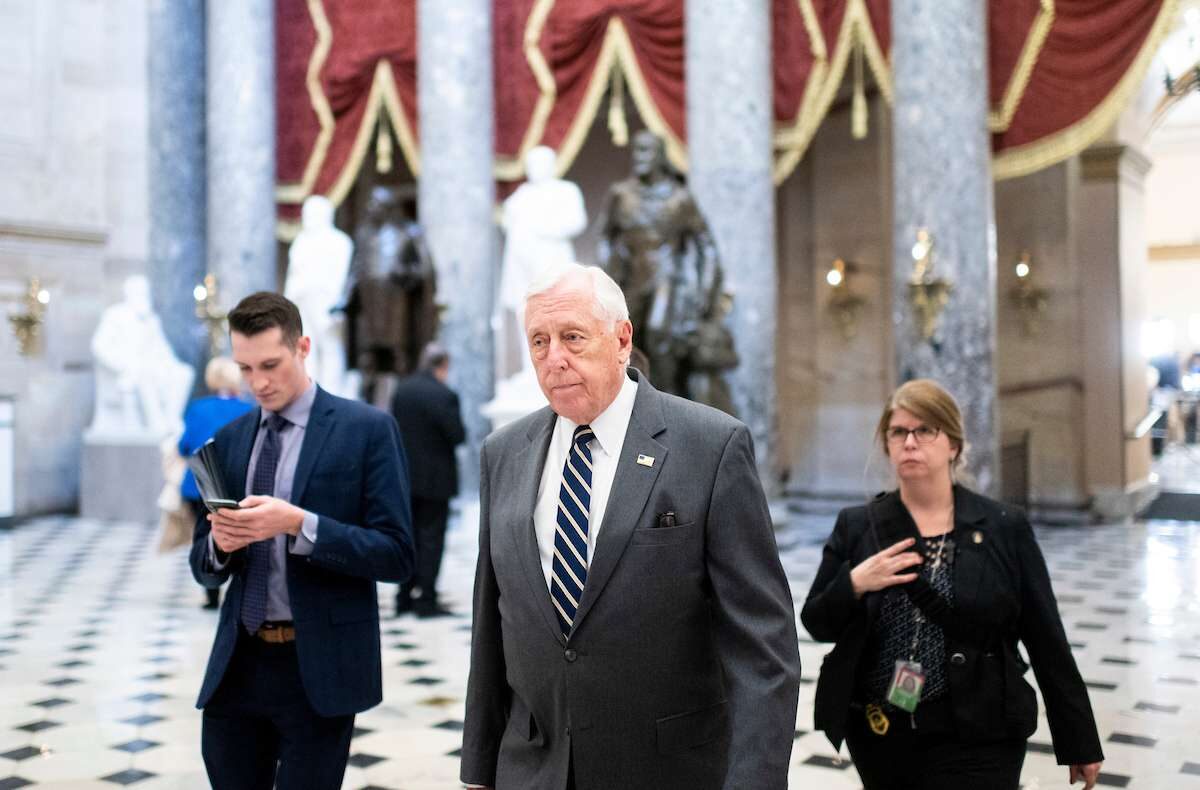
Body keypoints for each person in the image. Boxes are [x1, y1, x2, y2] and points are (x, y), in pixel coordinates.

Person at [461, 264, 800, 790]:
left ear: (621, 340)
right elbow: (491, 625)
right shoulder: (503, 453)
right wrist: (480, 770)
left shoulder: (709, 446)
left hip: (666, 768)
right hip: (535, 770)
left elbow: (763, 645)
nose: (555, 359)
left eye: (572, 337)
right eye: (539, 341)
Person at [801, 379, 1104, 790]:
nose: (910, 442)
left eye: (925, 430)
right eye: (897, 431)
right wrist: (855, 582)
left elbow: (1046, 636)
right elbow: (817, 623)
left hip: (981, 729)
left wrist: (1079, 739)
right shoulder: (859, 526)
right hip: (882, 732)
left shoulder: (1002, 527)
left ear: (954, 445)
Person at [188, 292, 414, 789]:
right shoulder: (231, 438)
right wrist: (220, 545)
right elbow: (202, 564)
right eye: (245, 368)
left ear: (303, 347)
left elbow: (397, 554)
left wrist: (299, 525)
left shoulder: (366, 430)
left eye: (270, 364)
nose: (258, 383)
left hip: (319, 668)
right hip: (238, 666)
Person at [595, 130, 735, 409]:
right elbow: (605, 237)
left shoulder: (679, 199)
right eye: (636, 151)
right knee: (624, 346)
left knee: (662, 343)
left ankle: (666, 411)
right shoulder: (621, 195)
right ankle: (632, 412)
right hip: (630, 281)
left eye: (646, 151)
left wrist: (705, 295)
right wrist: (607, 276)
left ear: (660, 156)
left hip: (668, 282)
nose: (639, 158)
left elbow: (706, 247)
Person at [390, 342, 466, 618]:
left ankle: (402, 597)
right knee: (432, 538)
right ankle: (426, 600)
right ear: (442, 365)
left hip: (405, 478)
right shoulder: (444, 394)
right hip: (436, 480)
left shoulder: (403, 390)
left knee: (407, 536)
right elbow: (457, 435)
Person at [178, 356, 253, 609]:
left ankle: (211, 590)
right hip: (236, 485)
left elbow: (184, 445)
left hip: (198, 486)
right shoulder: (248, 409)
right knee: (236, 534)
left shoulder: (198, 408)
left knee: (206, 535)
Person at [284, 195, 354, 397]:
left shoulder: (339, 242)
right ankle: (309, 388)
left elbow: (342, 276)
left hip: (327, 302)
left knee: (331, 346)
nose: (308, 218)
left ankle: (333, 391)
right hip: (302, 300)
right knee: (305, 346)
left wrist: (336, 303)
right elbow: (294, 273)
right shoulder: (301, 241)